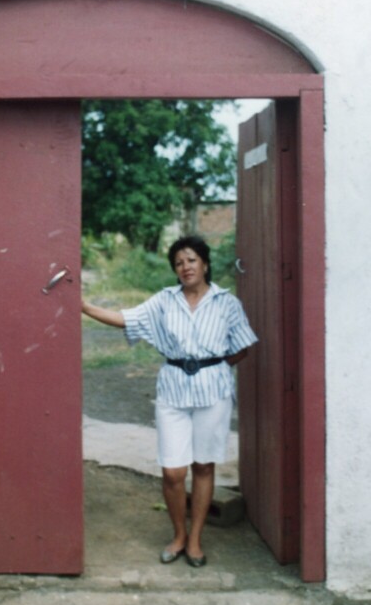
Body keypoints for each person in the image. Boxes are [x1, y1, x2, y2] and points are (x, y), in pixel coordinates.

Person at [81, 235, 257, 568]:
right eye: (179, 263)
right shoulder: (164, 301)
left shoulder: (227, 303)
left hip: (213, 394)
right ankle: (178, 533)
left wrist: (212, 368)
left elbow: (243, 346)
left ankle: (194, 540)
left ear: (204, 264)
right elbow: (126, 318)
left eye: (191, 260)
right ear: (174, 270)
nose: (185, 267)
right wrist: (86, 307)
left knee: (203, 465)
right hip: (173, 391)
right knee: (173, 471)